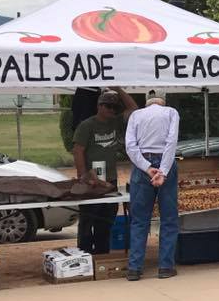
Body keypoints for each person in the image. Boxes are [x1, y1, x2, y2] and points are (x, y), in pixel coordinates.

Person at [72, 89, 137, 254]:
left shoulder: (115, 123)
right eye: (108, 106)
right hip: (91, 181)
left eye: (115, 107)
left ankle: (102, 256)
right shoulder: (87, 125)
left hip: (110, 181)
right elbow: (78, 150)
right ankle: (84, 256)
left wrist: (118, 88)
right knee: (87, 222)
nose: (112, 110)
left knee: (106, 221)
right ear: (99, 105)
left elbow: (134, 110)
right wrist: (83, 176)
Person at [125, 91, 180, 281]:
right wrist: (162, 171)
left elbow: (130, 146)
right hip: (165, 161)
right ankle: (165, 266)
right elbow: (171, 142)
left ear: (147, 101)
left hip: (143, 164)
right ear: (163, 100)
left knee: (140, 219)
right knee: (169, 218)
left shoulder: (135, 115)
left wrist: (147, 168)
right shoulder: (171, 112)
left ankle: (134, 268)